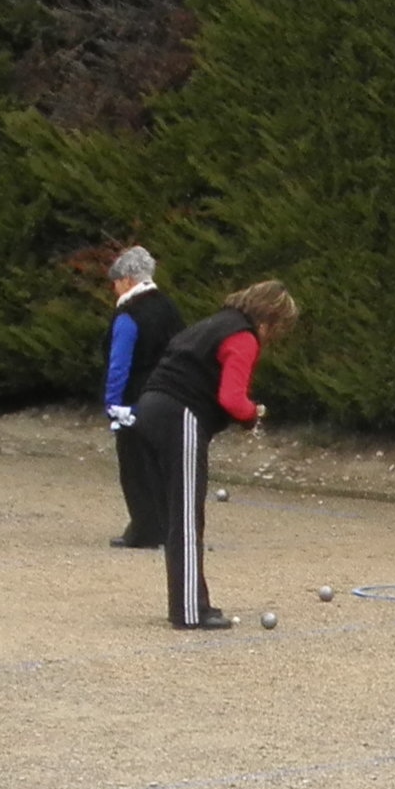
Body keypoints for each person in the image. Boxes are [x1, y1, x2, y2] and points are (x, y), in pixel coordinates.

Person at [133, 280, 299, 630]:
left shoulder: (212, 324)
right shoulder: (243, 337)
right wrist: (254, 414)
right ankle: (190, 611)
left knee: (173, 516)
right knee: (187, 518)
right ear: (270, 319)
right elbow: (231, 398)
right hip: (181, 415)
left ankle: (188, 603)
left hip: (148, 408)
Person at [102, 246, 184, 549]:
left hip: (135, 397)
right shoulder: (169, 307)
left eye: (115, 282)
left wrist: (112, 403)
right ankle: (170, 526)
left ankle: (145, 529)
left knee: (135, 465)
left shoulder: (129, 314)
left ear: (126, 280)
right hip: (169, 393)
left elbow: (119, 363)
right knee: (164, 463)